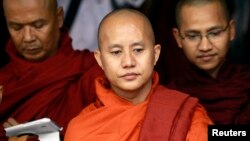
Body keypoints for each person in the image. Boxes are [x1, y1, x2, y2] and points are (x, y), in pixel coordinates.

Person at [65, 8, 213, 141]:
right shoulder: (80, 130)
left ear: (155, 54)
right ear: (100, 60)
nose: (128, 62)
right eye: (116, 52)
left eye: (138, 50)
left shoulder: (187, 117)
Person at [0, 0, 102, 140]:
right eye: (17, 28)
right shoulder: (3, 81)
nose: (28, 37)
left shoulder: (92, 70)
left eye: (38, 25)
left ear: (59, 17)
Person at [168, 0, 250, 124]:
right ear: (178, 38)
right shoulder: (170, 96)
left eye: (215, 33)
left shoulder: (246, 82)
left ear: (232, 30)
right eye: (192, 36)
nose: (205, 47)